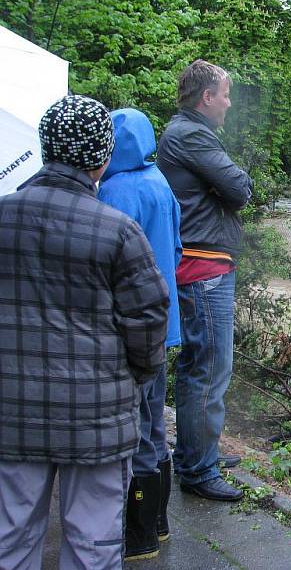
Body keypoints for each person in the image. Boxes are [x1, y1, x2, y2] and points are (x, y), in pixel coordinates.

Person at [0, 95, 169, 569]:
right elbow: (148, 320)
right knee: (93, 546)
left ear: (44, 148)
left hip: (12, 414)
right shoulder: (118, 231)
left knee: (9, 540)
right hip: (96, 421)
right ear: (101, 158)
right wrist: (134, 379)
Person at [157, 59, 253, 501]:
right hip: (203, 270)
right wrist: (225, 185)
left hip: (203, 265)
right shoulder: (191, 135)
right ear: (206, 97)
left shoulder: (187, 133)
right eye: (226, 93)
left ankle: (198, 452)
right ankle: (198, 470)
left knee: (200, 367)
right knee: (208, 371)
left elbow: (227, 186)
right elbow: (239, 189)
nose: (230, 103)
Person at [98, 108, 182, 560]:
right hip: (163, 324)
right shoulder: (161, 184)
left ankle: (138, 537)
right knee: (156, 423)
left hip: (128, 327)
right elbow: (176, 249)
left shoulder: (114, 191)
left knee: (137, 429)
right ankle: (160, 523)